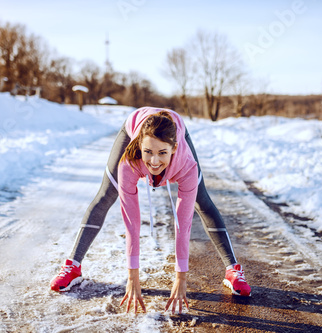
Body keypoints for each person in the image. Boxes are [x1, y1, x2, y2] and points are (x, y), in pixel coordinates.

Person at [50, 107, 251, 313]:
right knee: (106, 195)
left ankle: (233, 269)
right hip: (135, 124)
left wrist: (181, 277)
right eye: (148, 153)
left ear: (174, 148)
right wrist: (132, 276)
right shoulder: (129, 163)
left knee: (202, 200)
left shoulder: (187, 166)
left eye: (162, 153)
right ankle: (73, 265)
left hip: (175, 126)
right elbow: (132, 221)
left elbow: (183, 222)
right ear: (139, 146)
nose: (154, 162)